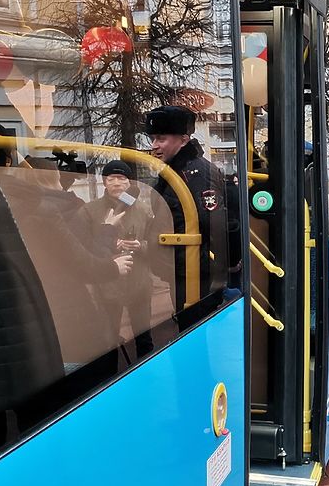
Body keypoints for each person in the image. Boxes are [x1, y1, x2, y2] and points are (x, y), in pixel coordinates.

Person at [146, 105, 227, 323]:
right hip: (180, 269)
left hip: (194, 274)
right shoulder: (173, 172)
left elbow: (213, 222)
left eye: (161, 139)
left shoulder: (195, 174)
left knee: (193, 325)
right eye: (152, 139)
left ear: (183, 140)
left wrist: (221, 271)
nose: (154, 146)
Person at [84, 160, 155, 361]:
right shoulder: (90, 210)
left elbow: (157, 245)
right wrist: (106, 244)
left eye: (122, 179)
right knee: (107, 342)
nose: (116, 183)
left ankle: (148, 377)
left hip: (139, 284)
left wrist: (141, 246)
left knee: (145, 339)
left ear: (129, 183)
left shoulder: (143, 210)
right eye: (111, 178)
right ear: (104, 183)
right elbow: (82, 247)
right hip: (106, 287)